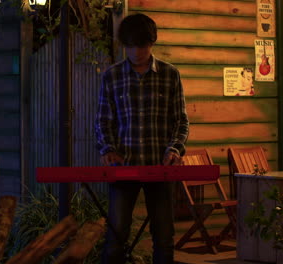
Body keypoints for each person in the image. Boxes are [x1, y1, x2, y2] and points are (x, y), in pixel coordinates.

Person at [94, 13, 189, 264]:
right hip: (124, 166)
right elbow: (103, 120)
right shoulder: (112, 76)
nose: (137, 51)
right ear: (125, 45)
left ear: (152, 42)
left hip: (160, 167)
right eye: (131, 46)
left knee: (164, 237)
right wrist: (108, 148)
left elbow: (180, 120)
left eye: (142, 45)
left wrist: (175, 149)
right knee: (116, 236)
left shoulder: (170, 75)